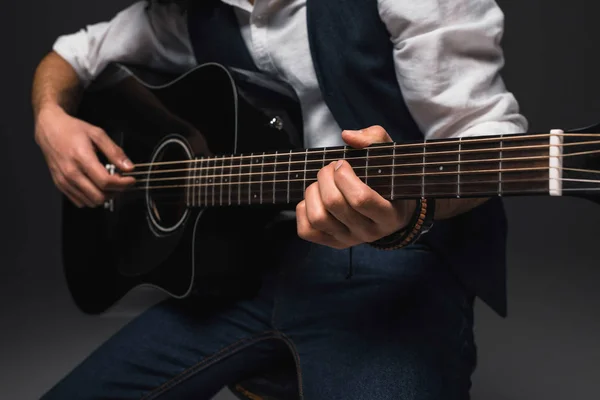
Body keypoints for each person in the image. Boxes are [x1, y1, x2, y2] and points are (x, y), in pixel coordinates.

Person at [32, 0, 527, 399]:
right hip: (249, 270)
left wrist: (410, 210)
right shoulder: (186, 12)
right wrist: (51, 117)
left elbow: (484, 141)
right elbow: (71, 56)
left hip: (397, 268)